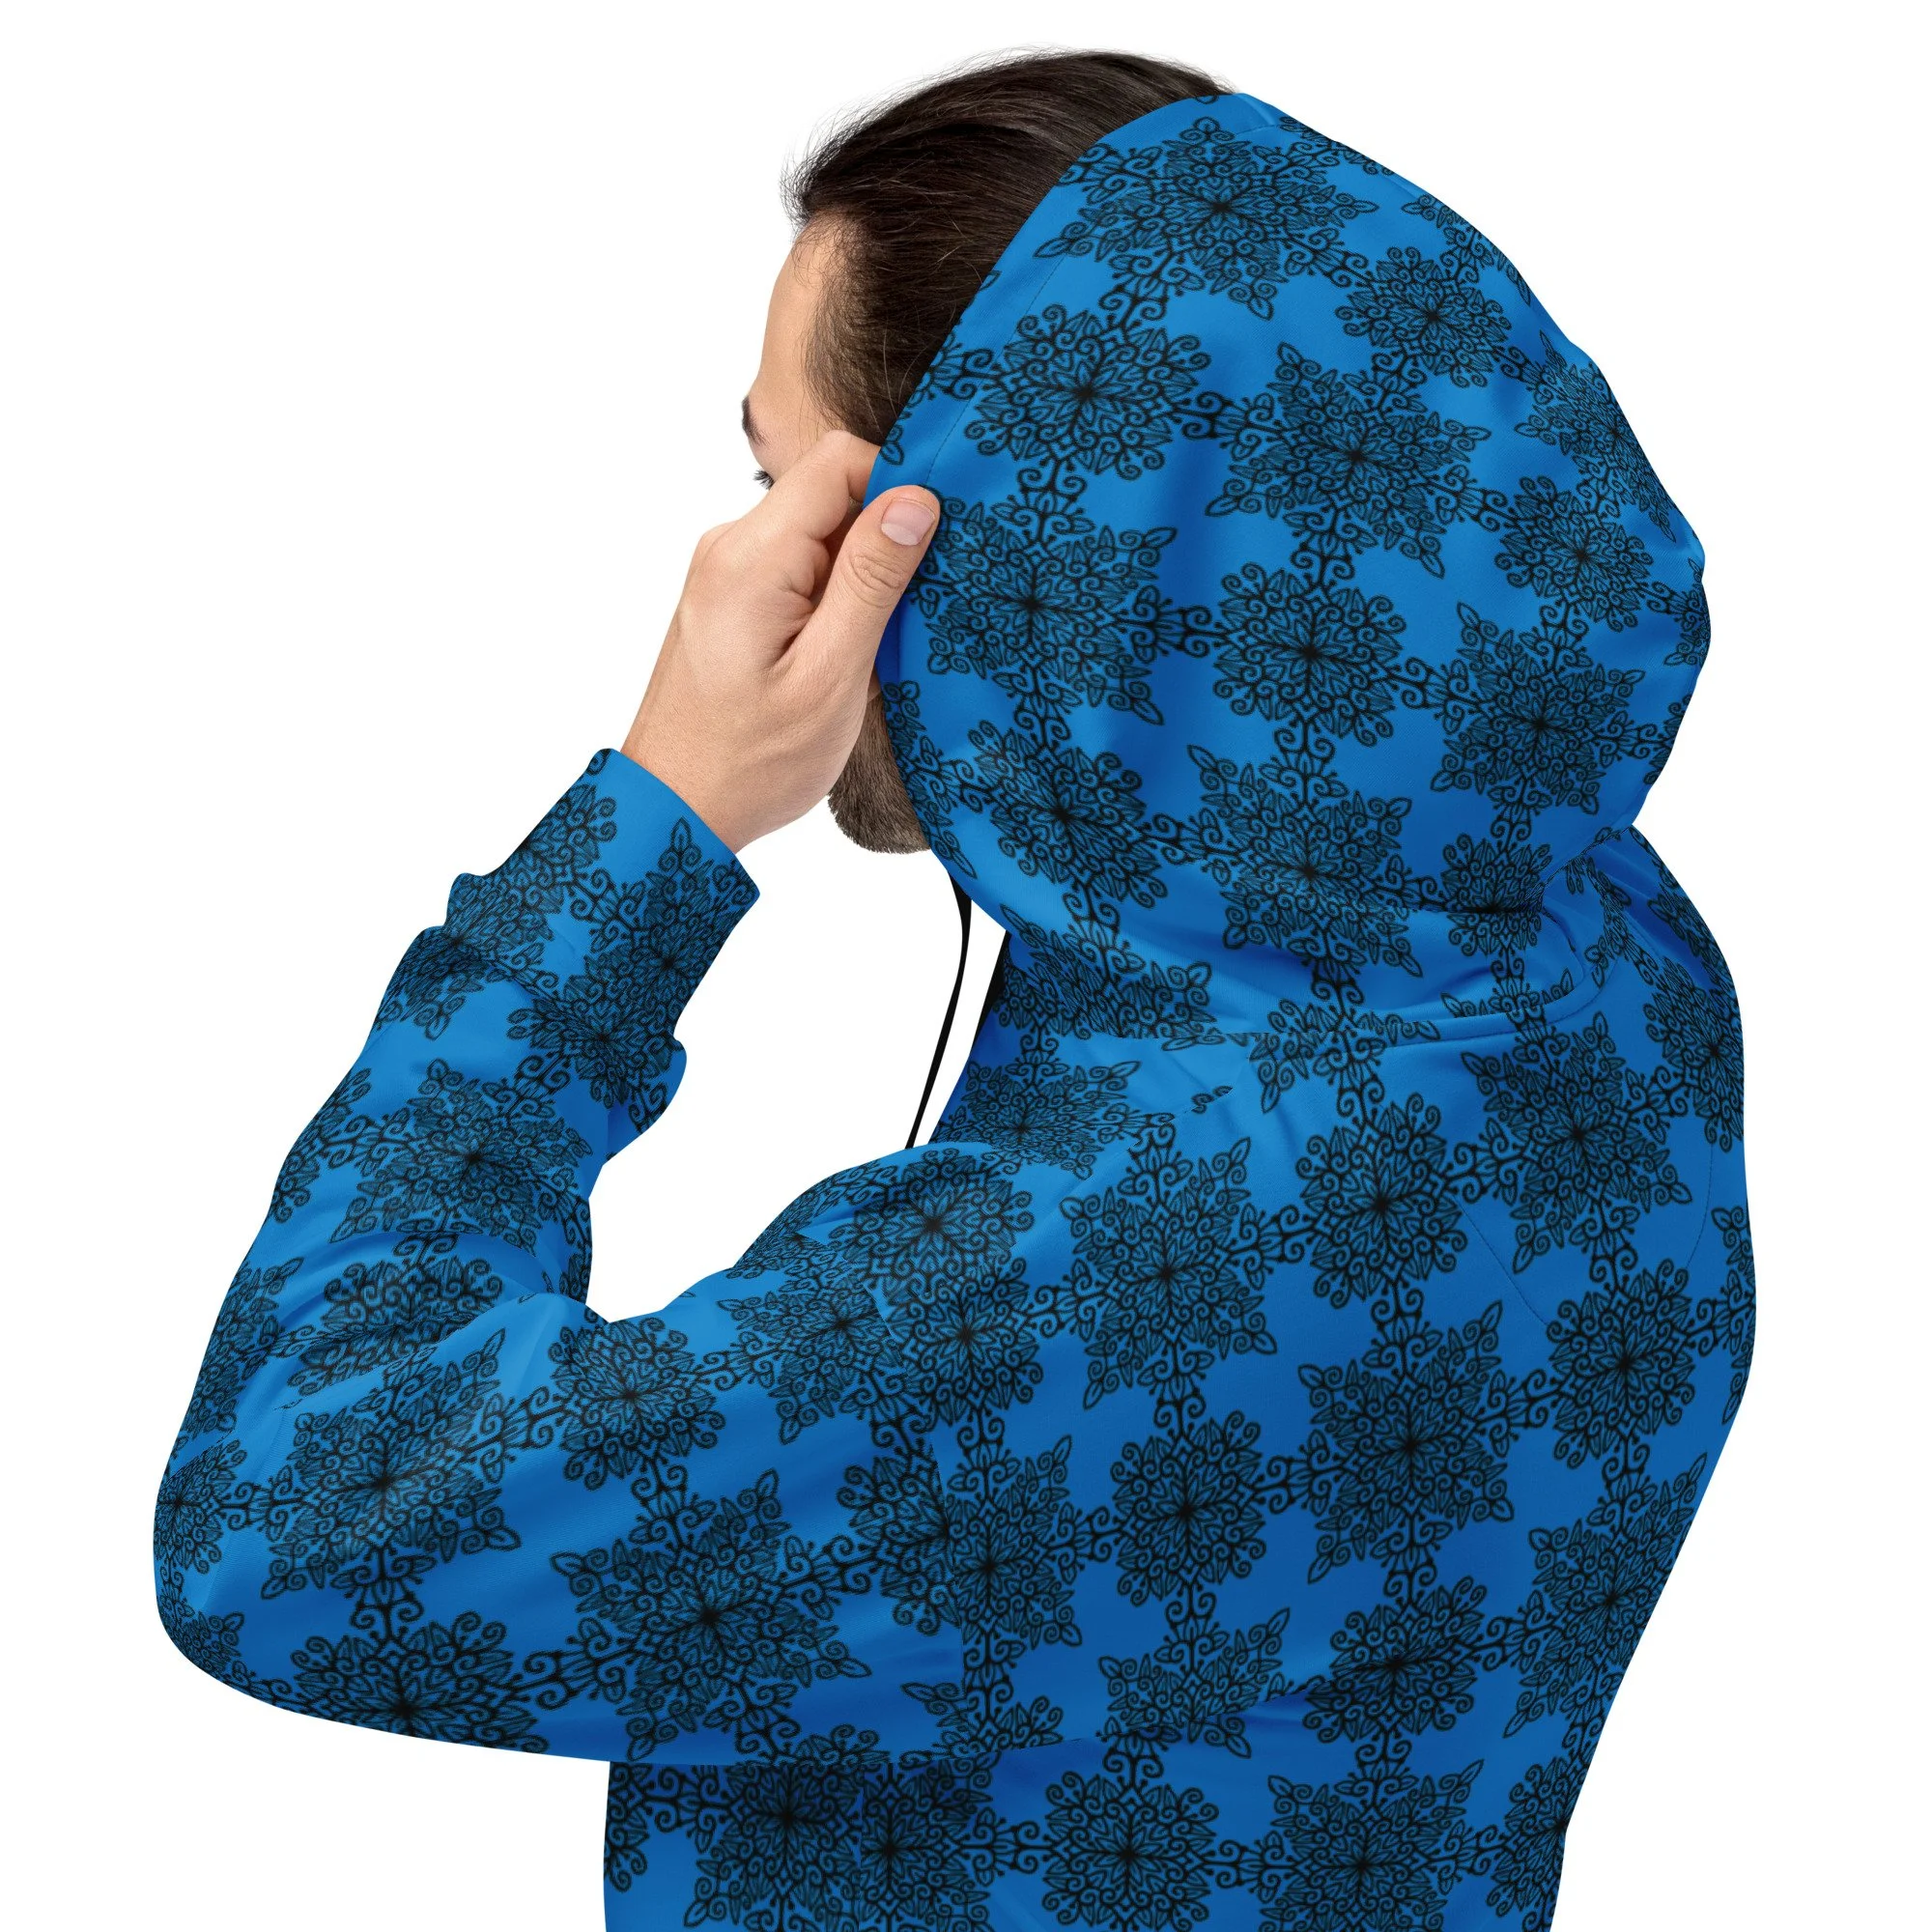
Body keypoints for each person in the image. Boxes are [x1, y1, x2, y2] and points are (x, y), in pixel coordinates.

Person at [155, 50, 1754, 1932]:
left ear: (1011, 543)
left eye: (795, 488)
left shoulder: (1094, 1274)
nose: (751, 562)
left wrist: (656, 820)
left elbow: (286, 1527)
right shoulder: (1609, 958)